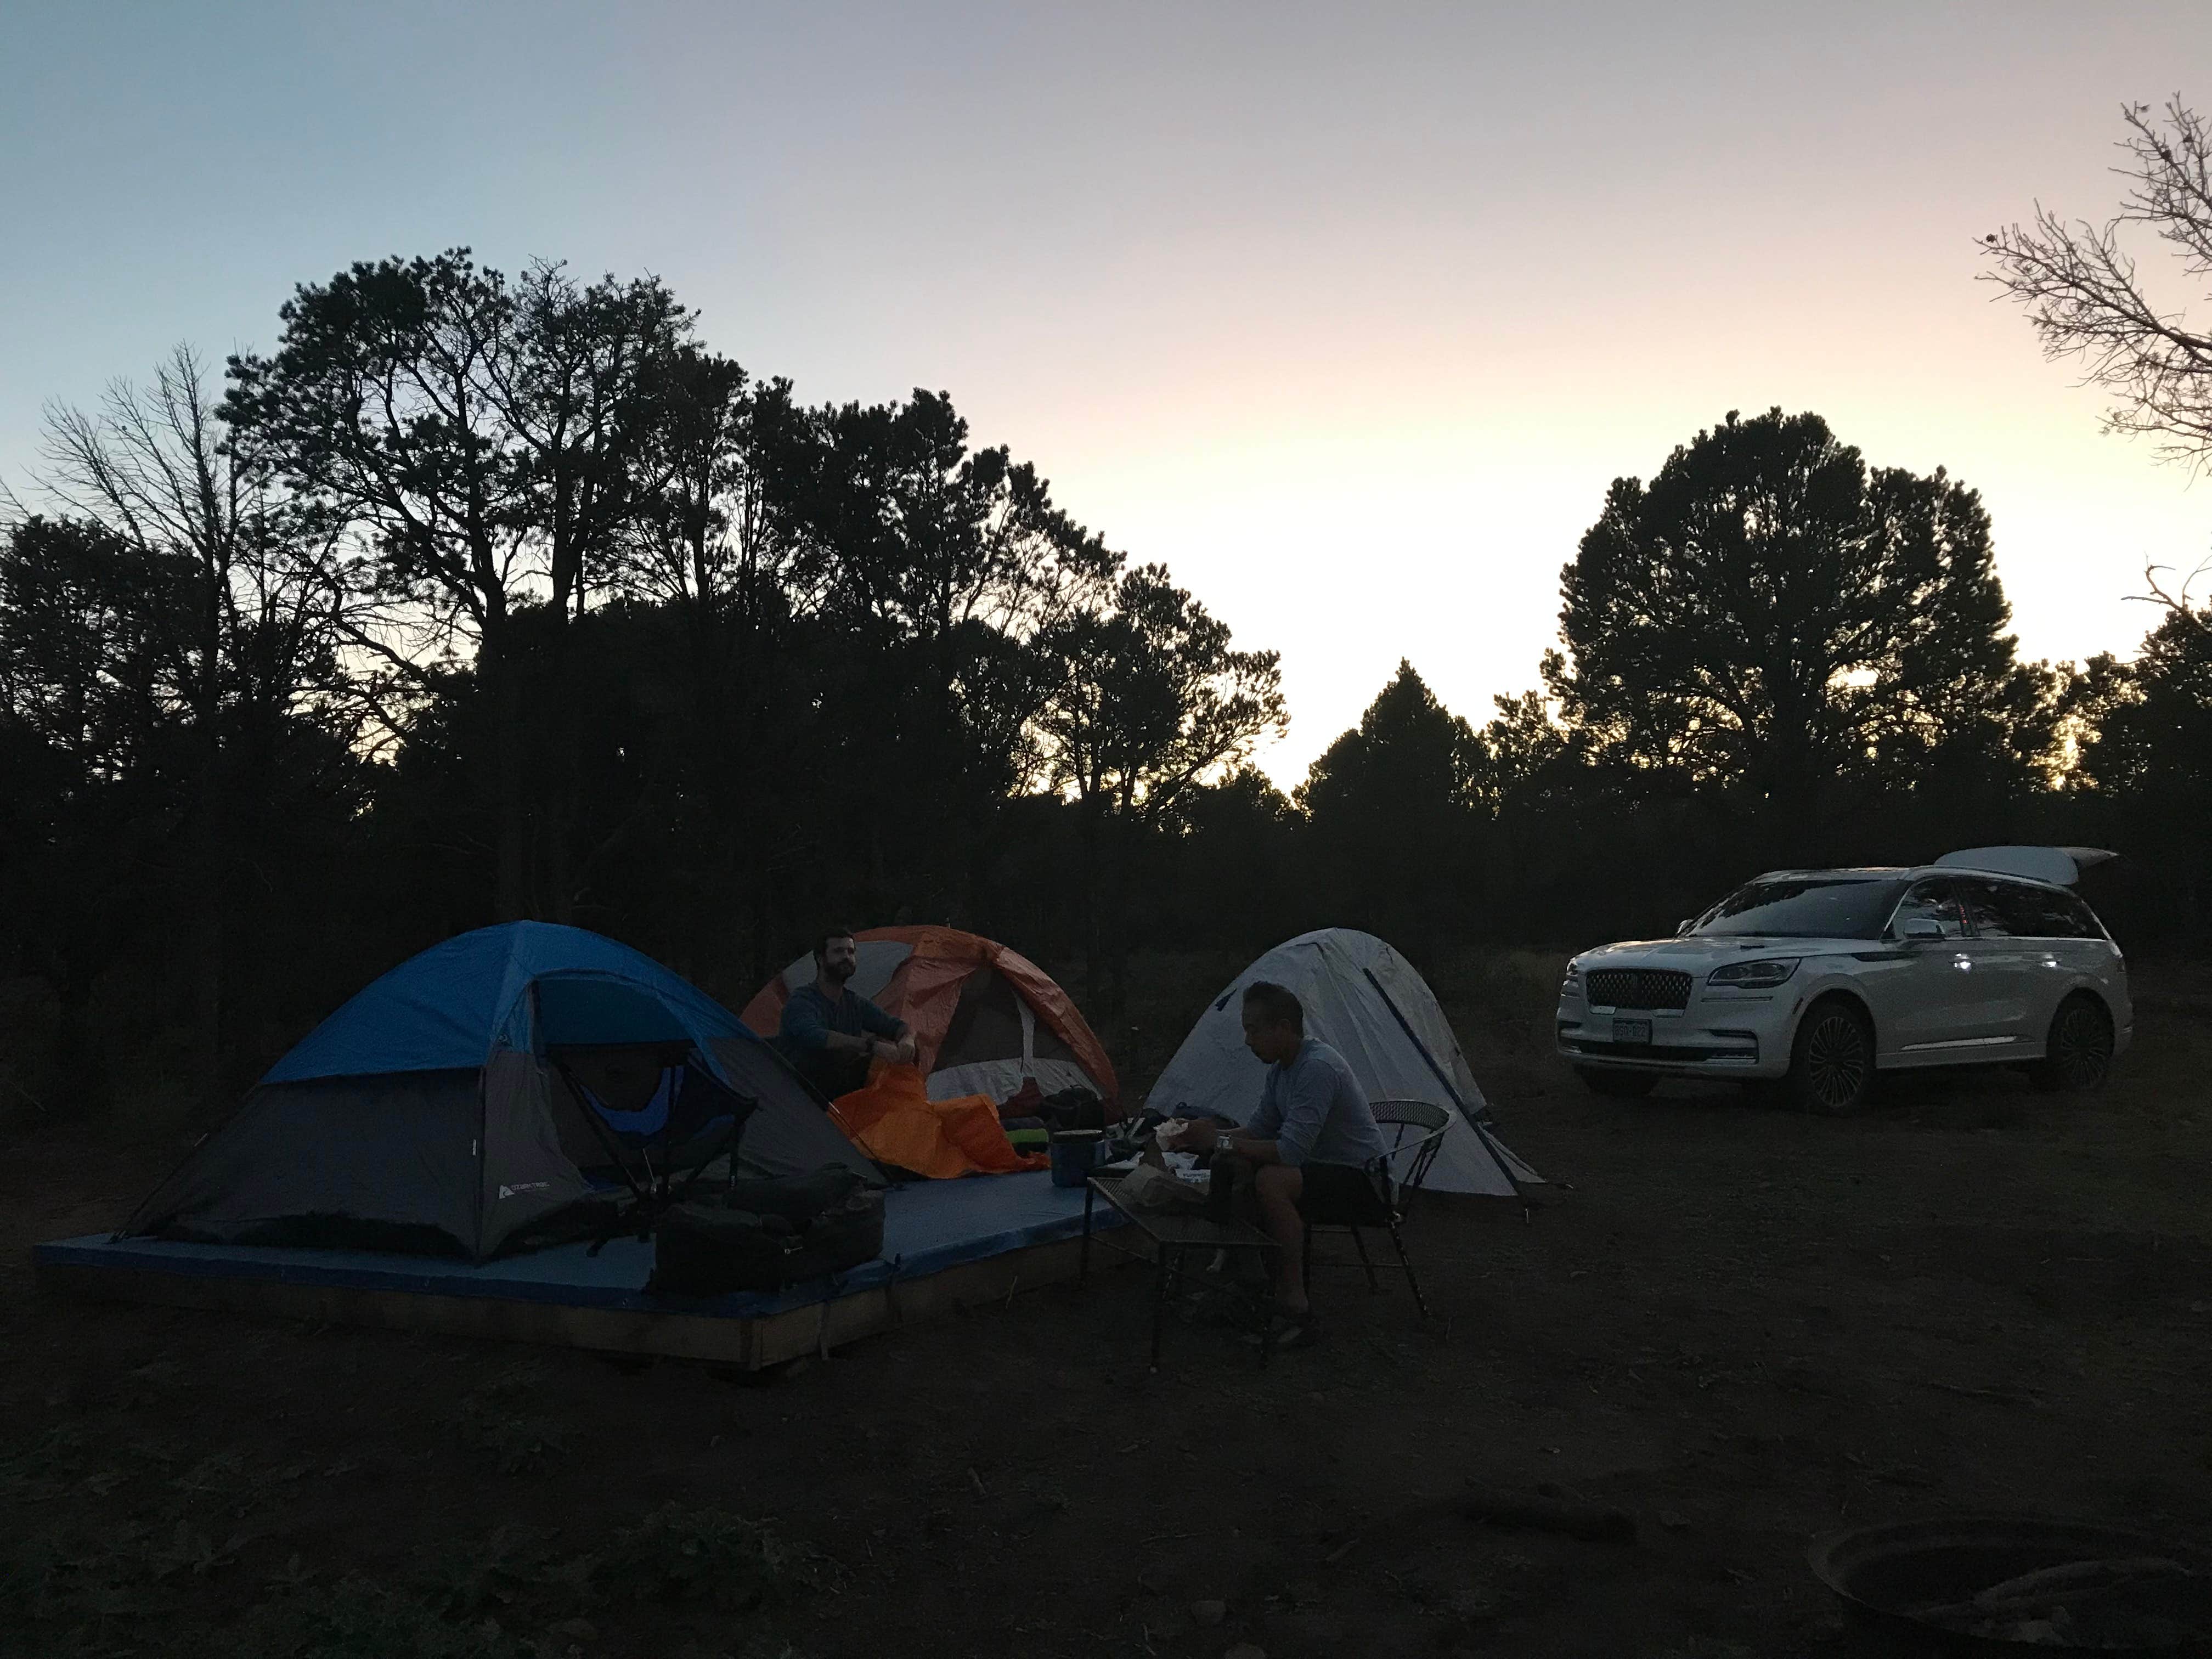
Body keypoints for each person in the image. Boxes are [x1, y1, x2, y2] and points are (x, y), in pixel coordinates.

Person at [1180, 980, 1387, 1347]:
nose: (1248, 1041)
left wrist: (1222, 1141)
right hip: (1322, 1171)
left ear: (1284, 1027)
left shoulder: (1317, 1069)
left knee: (1272, 1180)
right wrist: (1207, 1134)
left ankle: (1294, 1303)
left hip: (1365, 1182)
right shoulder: (1281, 1071)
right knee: (1234, 1164)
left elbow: (1290, 1152)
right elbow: (1258, 1131)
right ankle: (1252, 1280)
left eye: (1253, 1030)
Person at [777, 928, 917, 1101]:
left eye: (851, 952)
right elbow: (814, 1036)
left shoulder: (854, 1003)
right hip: (800, 1091)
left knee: (907, 1056)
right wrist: (872, 1046)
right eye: (838, 951)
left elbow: (896, 1026)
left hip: (840, 1090)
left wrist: (907, 1039)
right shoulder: (802, 1001)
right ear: (820, 959)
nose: (846, 957)